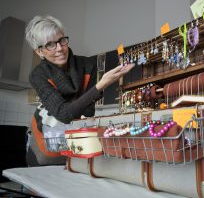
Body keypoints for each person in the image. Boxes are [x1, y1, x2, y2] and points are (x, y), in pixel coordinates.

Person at [25, 15, 134, 166]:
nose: (60, 49)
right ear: (39, 52)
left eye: (61, 40)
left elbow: (88, 111)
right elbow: (63, 114)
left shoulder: (88, 65)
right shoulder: (38, 75)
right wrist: (100, 85)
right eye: (50, 44)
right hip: (46, 137)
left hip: (77, 138)